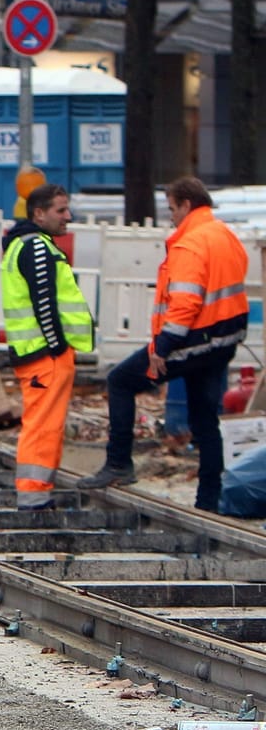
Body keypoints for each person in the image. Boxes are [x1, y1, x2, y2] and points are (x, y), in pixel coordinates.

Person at [79, 176, 248, 510]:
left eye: (172, 208)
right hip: (224, 338)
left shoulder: (190, 243)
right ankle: (208, 502)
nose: (170, 216)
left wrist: (163, 348)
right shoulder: (224, 235)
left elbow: (185, 302)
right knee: (205, 419)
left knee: (121, 381)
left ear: (187, 205)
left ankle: (118, 464)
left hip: (194, 338)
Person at [0, 184, 92, 511]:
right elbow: (44, 301)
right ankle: (34, 496)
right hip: (45, 354)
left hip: (37, 352)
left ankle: (38, 492)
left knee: (45, 423)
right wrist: (56, 345)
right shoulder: (36, 247)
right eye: (60, 210)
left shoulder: (22, 244)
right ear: (39, 213)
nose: (68, 217)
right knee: (43, 425)